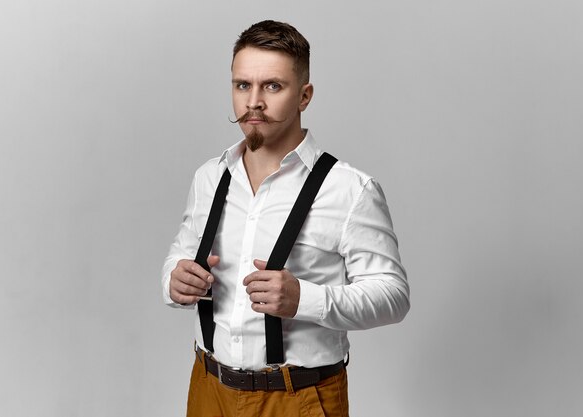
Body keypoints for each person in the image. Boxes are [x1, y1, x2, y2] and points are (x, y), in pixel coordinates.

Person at [162, 20, 410, 417]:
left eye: (272, 86)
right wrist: (174, 279)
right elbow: (181, 253)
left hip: (298, 397)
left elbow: (393, 296)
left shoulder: (349, 189)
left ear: (304, 95)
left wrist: (305, 299)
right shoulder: (210, 177)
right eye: (242, 85)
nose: (253, 102)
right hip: (208, 390)